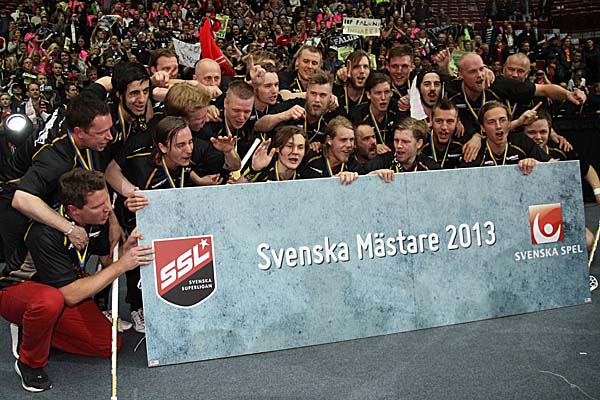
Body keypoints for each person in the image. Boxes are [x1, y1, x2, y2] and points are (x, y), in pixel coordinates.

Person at [0, 169, 153, 392]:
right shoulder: (44, 233)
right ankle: (29, 363)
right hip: (19, 290)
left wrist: (124, 251)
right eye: (98, 206)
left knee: (109, 344)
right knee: (48, 301)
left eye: (107, 201)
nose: (108, 209)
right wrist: (122, 265)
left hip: (62, 289)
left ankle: (38, 329)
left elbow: (106, 262)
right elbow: (71, 295)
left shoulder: (97, 218)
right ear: (73, 210)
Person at [522, 111, 600, 250]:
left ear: (550, 131)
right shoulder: (517, 152)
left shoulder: (561, 149)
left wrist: (598, 192)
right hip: (525, 212)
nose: (538, 137)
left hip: (555, 210)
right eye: (531, 132)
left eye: (543, 132)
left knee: (588, 241)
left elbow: (587, 169)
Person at [460, 101, 550, 174]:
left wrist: (536, 164)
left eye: (502, 120)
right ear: (483, 127)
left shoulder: (522, 141)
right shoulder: (474, 151)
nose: (498, 126)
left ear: (509, 122)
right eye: (491, 122)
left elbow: (553, 165)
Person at [254, 69, 337, 147]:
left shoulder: (334, 117)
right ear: (306, 93)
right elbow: (258, 125)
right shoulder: (293, 105)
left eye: (322, 95)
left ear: (330, 97)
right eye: (313, 94)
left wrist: (323, 148)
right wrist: (285, 115)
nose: (317, 100)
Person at [364, 117, 441, 174]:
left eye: (405, 142)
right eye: (396, 140)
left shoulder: (431, 168)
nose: (399, 146)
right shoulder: (379, 164)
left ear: (419, 144)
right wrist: (372, 176)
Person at [239, 126, 308, 182]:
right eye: (289, 146)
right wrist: (254, 170)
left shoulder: (308, 175)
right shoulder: (263, 171)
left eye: (300, 147)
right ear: (277, 148)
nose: (295, 152)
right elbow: (235, 190)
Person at [421, 100, 463, 169]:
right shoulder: (420, 143)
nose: (444, 127)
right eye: (439, 121)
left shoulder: (464, 144)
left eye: (450, 121)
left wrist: (476, 136)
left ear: (457, 122)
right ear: (431, 119)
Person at [332, 50, 371, 115]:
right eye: (356, 67)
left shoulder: (372, 95)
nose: (362, 71)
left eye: (365, 67)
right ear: (347, 69)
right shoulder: (336, 92)